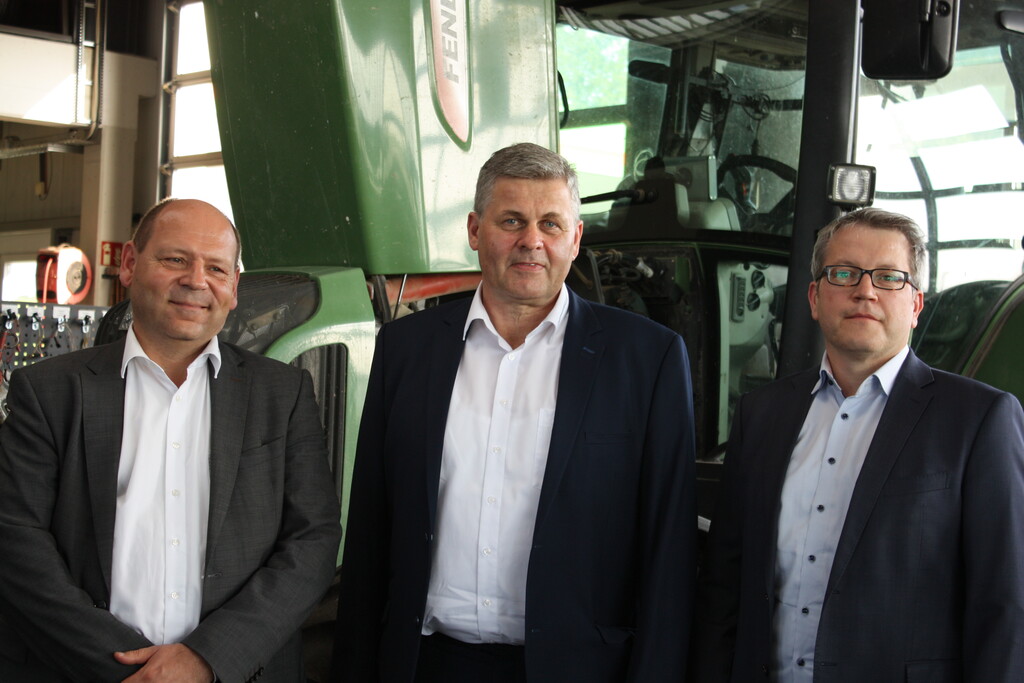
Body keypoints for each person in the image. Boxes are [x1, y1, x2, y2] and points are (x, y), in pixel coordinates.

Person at [331, 142, 696, 682]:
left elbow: (669, 553)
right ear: (475, 230)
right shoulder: (405, 349)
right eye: (512, 221)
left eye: (551, 223)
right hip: (425, 664)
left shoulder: (648, 359)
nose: (532, 240)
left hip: (577, 670)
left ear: (575, 238)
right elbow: (369, 531)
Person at [0, 198, 342, 682]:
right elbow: (16, 538)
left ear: (234, 287)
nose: (196, 281)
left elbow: (313, 540)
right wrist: (126, 668)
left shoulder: (282, 394)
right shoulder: (49, 391)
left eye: (216, 268)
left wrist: (207, 658)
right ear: (129, 264)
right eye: (175, 259)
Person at [693, 207, 1024, 682]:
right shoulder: (761, 414)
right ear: (814, 297)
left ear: (916, 304)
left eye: (888, 277)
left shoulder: (978, 420)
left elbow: (1004, 605)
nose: (865, 290)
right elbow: (725, 586)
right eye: (844, 273)